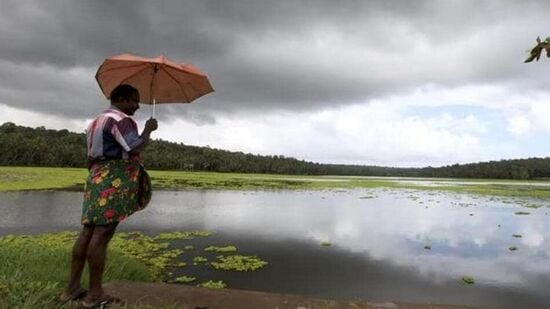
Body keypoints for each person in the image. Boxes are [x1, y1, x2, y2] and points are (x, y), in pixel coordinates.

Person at [59, 84, 158, 307]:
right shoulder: (120, 120)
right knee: (102, 235)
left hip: (96, 176)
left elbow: (90, 157)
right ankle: (95, 294)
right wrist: (148, 130)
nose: (137, 106)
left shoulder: (95, 121)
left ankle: (72, 288)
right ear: (122, 99)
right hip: (113, 179)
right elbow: (135, 147)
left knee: (88, 231)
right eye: (134, 100)